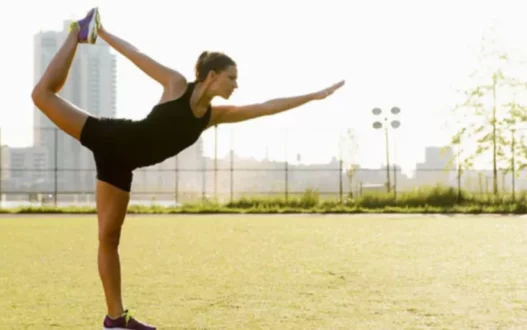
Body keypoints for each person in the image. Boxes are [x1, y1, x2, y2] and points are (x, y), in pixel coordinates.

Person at [31, 7, 345, 330]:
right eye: (231, 78)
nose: (236, 85)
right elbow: (137, 55)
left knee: (109, 239)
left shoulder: (213, 115)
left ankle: (115, 318)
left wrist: (312, 97)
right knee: (41, 95)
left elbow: (264, 108)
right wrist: (102, 32)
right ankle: (76, 33)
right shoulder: (176, 85)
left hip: (123, 166)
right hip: (111, 137)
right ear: (212, 76)